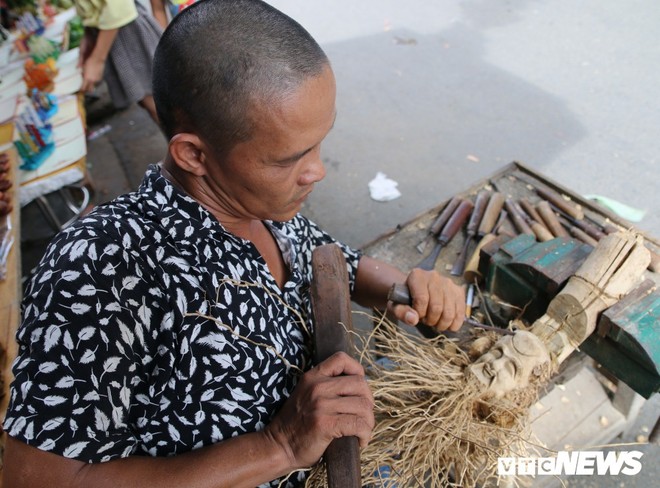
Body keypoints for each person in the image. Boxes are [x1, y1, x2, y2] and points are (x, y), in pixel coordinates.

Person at [2, 1, 465, 486]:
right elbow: (36, 481)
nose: (317, 170)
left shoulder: (267, 209)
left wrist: (408, 288)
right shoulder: (102, 268)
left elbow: (331, 264)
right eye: (288, 159)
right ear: (194, 154)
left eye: (319, 142)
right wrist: (278, 446)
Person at [77, 0, 163, 124]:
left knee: (159, 105)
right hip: (111, 32)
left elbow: (118, 10)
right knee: (148, 102)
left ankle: (191, 141)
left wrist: (97, 59)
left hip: (126, 31)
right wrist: (89, 33)